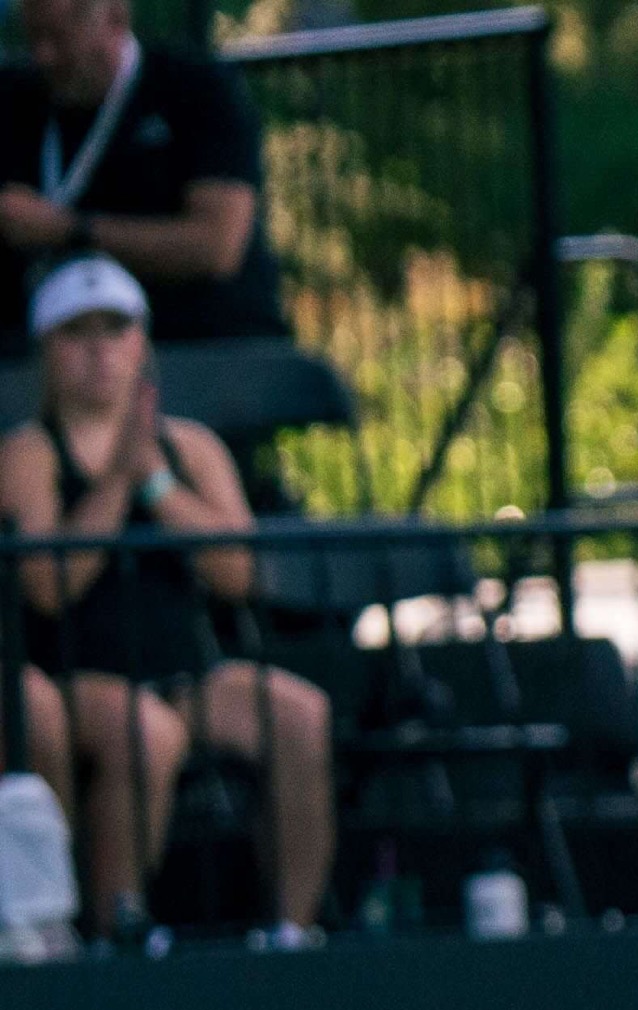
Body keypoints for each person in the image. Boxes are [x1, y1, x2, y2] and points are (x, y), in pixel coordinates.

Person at [0, 255, 326, 941]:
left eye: (115, 329)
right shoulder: (28, 455)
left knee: (300, 714)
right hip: (71, 678)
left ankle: (290, 933)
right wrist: (117, 482)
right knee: (144, 729)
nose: (99, 350)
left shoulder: (191, 448)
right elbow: (49, 589)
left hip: (188, 673)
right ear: (47, 351)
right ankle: (115, 927)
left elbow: (239, 576)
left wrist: (156, 486)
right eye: (76, 332)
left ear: (142, 341)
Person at [0, 0, 281, 355]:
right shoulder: (14, 99)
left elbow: (217, 246)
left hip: (196, 343)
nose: (44, 56)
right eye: (33, 38)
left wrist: (68, 230)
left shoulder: (198, 89)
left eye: (58, 39)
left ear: (115, 19)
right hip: (39, 354)